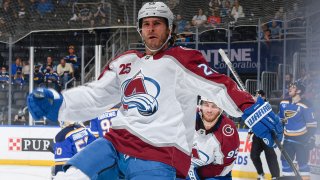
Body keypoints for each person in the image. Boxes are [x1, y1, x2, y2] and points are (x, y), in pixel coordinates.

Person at [27, 2, 283, 179]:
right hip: (114, 144)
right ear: (140, 28)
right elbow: (96, 95)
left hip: (159, 154)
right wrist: (60, 103)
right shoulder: (125, 61)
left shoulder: (182, 59)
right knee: (71, 175)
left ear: (169, 29)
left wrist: (248, 107)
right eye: (146, 24)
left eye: (157, 24)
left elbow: (216, 85)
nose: (151, 28)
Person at [187, 96, 239, 180]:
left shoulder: (228, 131)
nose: (209, 110)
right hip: (186, 169)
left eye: (214, 106)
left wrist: (197, 173)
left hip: (215, 175)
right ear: (200, 105)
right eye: (206, 105)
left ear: (221, 108)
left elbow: (224, 168)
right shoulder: (187, 116)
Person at [278, 81, 317, 179]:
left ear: (299, 91)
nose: (290, 88)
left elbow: (312, 125)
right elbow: (280, 120)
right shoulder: (283, 103)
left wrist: (311, 138)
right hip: (287, 140)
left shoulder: (306, 105)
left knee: (303, 165)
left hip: (301, 140)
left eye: (293, 87)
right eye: (290, 86)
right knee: (285, 163)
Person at [248, 90, 280, 180]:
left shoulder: (268, 107)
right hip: (257, 136)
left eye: (259, 96)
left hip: (268, 135)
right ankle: (261, 174)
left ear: (263, 97)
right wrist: (250, 132)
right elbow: (253, 121)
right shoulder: (254, 107)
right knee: (254, 155)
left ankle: (275, 176)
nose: (256, 97)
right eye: (255, 96)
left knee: (271, 156)